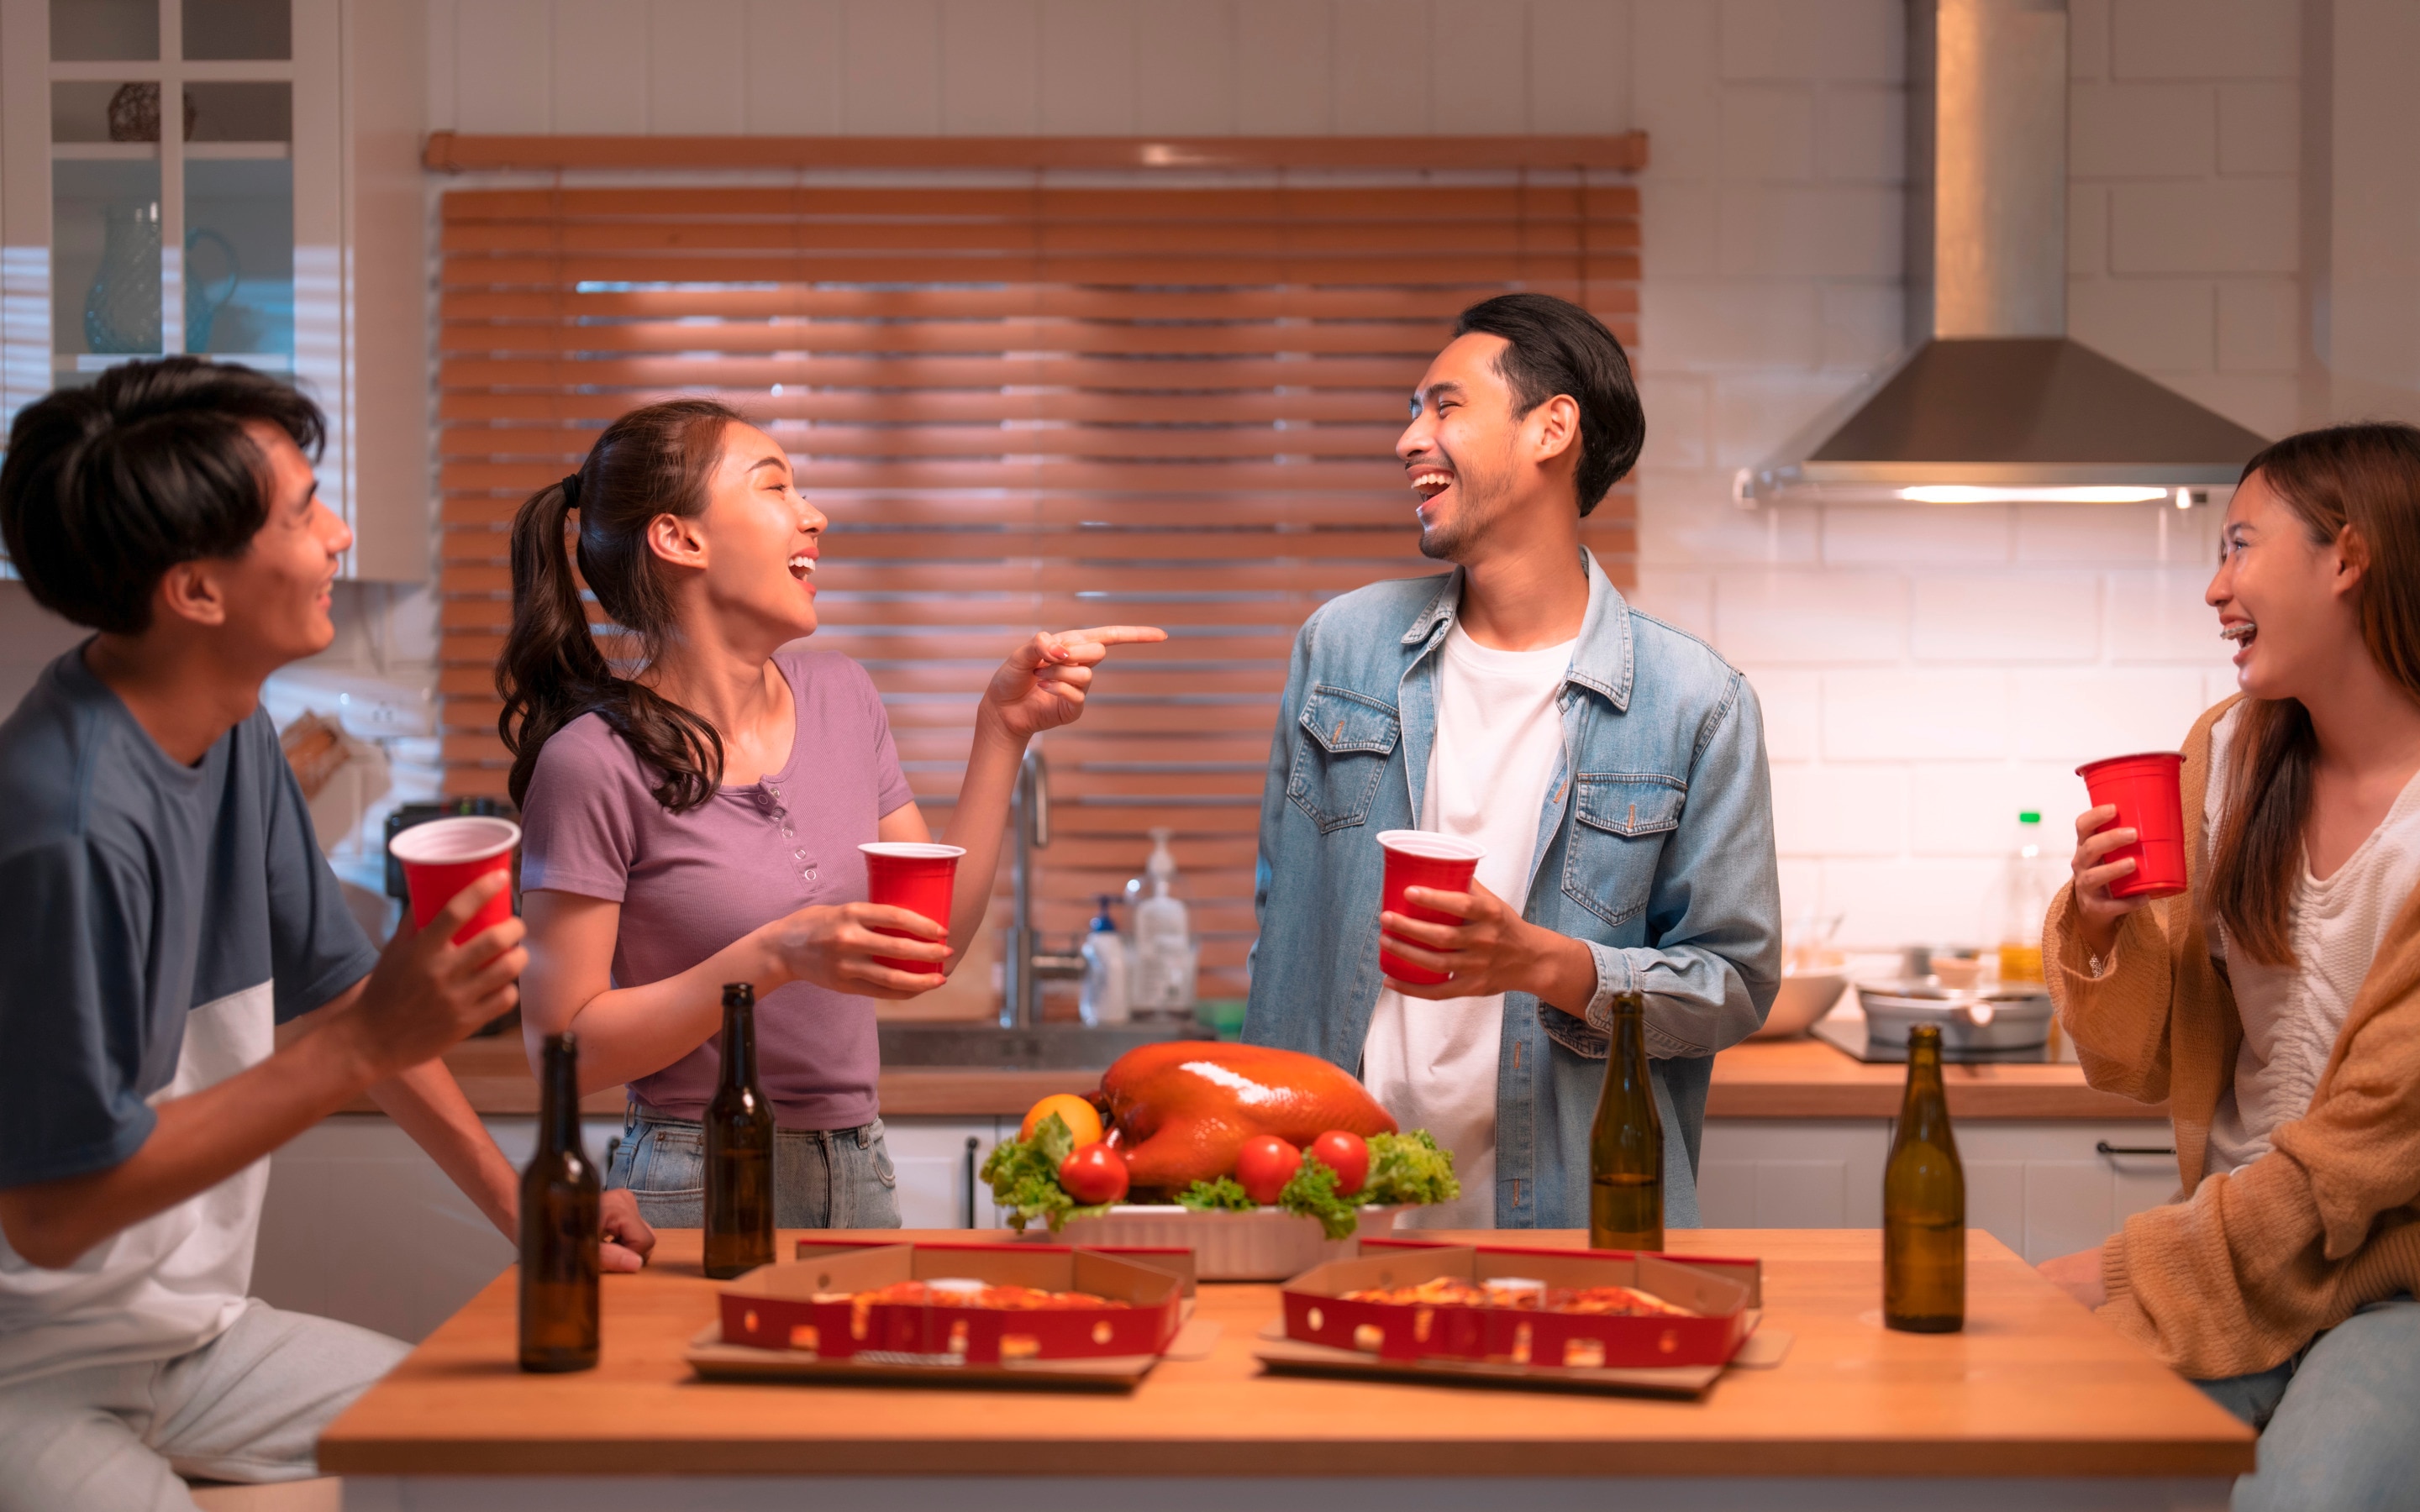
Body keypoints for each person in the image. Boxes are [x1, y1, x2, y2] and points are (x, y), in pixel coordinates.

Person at [0, 359, 654, 1512]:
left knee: (479, 1459)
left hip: (191, 1340)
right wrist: (359, 1047)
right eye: (304, 514)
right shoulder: (67, 829)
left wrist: (527, 1215)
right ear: (198, 592)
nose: (339, 535)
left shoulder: (231, 722)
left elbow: (344, 1001)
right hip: (26, 1365)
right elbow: (54, 1215)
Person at [502, 400, 1160, 1228]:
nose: (815, 515)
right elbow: (559, 1049)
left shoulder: (842, 695)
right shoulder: (592, 761)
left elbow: (930, 951)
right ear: (680, 539)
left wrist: (1002, 732)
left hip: (859, 1167)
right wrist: (775, 955)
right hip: (692, 1178)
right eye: (775, 488)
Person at [1243, 294, 1782, 1228]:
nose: (1411, 439)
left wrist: (1547, 963)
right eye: (1413, 412)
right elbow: (1282, 929)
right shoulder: (1342, 650)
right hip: (1326, 1213)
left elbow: (1730, 988)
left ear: (1552, 428)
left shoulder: (1696, 702)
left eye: (1444, 407)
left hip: (1563, 1220)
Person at [2039, 422, 2420, 1510]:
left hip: (2395, 1287)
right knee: (2029, 1454)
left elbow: (2352, 1165)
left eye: (2241, 546)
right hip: (2238, 1255)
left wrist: (2110, 1273)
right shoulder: (2228, 756)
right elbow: (2137, 1064)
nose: (2216, 588)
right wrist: (2102, 928)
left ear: (2347, 558)